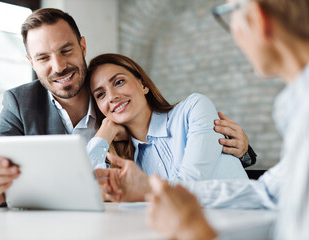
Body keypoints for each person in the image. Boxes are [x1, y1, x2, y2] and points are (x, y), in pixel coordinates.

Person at [0, 8, 253, 207]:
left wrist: (242, 150)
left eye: (66, 50)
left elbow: (179, 137)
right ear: (31, 63)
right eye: (43, 58)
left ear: (82, 46)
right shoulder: (20, 102)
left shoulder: (122, 107)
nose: (59, 66)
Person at [145, 0, 309, 239]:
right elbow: (266, 192)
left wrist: (193, 230)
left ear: (259, 18)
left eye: (229, 13)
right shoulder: (297, 108)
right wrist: (150, 190)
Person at [85, 53, 248, 201]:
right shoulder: (131, 162)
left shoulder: (193, 109)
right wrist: (104, 134)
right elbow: (88, 191)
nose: (112, 96)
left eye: (119, 82)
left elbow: (189, 189)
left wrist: (143, 188)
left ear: (142, 84)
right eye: (101, 94)